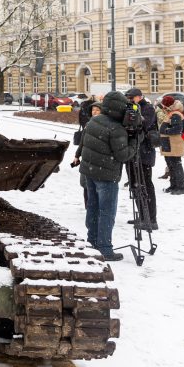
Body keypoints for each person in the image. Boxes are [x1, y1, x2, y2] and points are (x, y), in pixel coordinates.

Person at [79, 91, 138, 261]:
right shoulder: (116, 128)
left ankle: (92, 242)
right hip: (106, 176)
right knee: (106, 212)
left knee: (93, 208)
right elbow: (123, 155)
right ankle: (104, 248)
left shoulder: (94, 121)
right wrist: (134, 142)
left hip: (89, 172)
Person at [125, 87, 159, 230]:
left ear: (139, 97)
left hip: (144, 153)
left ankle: (151, 219)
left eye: (131, 98)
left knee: (145, 185)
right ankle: (142, 214)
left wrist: (133, 116)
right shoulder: (132, 108)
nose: (129, 101)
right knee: (135, 184)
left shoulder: (148, 108)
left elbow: (142, 125)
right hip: (133, 152)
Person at [70, 102, 102, 206]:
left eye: (97, 110)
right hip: (86, 158)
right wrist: (77, 155)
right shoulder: (88, 124)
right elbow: (82, 142)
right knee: (85, 183)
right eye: (93, 110)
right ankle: (88, 207)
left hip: (98, 159)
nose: (95, 112)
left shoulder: (104, 125)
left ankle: (94, 206)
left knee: (96, 184)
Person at [158, 96, 184, 195]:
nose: (163, 108)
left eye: (164, 106)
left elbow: (177, 129)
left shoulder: (176, 114)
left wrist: (165, 131)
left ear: (168, 105)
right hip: (169, 143)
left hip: (174, 144)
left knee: (176, 165)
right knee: (171, 166)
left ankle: (180, 187)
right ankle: (173, 186)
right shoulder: (171, 113)